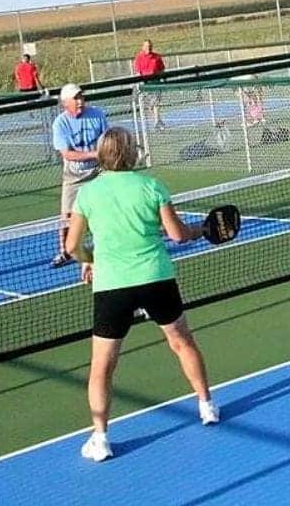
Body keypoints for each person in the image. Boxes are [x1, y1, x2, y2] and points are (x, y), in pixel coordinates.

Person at [64, 126, 219, 462]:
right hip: (156, 279)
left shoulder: (87, 194)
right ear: (131, 153)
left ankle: (101, 438)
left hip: (112, 286)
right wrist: (195, 231)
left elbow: (72, 246)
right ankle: (207, 406)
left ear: (103, 155)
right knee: (182, 343)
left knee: (102, 367)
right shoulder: (151, 186)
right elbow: (178, 235)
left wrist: (91, 261)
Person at [49, 83, 110, 268]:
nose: (80, 101)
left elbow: (106, 139)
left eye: (81, 97)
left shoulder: (97, 115)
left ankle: (109, 243)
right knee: (67, 215)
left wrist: (104, 155)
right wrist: (94, 154)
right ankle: (65, 252)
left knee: (108, 208)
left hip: (99, 171)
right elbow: (67, 154)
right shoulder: (60, 123)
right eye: (75, 98)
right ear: (65, 103)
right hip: (73, 174)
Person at [133, 40, 166, 129]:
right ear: (143, 47)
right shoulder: (139, 57)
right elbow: (138, 71)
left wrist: (161, 78)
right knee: (150, 105)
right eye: (146, 46)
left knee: (156, 102)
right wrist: (141, 80)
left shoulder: (157, 57)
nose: (148, 48)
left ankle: (156, 121)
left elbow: (162, 69)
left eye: (150, 46)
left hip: (156, 83)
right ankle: (157, 119)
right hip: (145, 84)